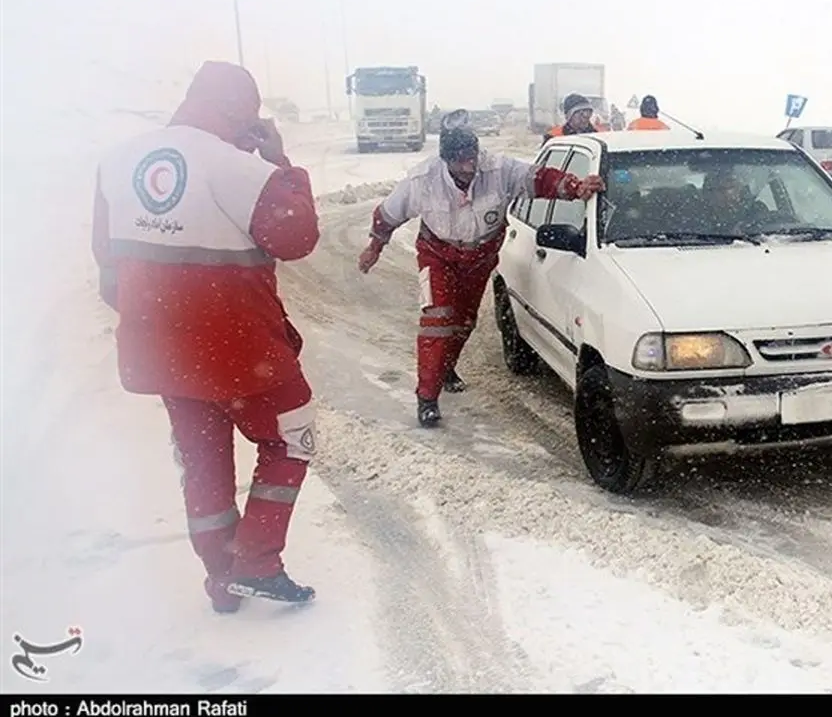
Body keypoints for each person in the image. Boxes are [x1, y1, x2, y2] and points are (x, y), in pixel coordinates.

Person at [91, 60, 322, 614]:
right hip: (243, 350)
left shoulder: (116, 162)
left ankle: (222, 577)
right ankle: (258, 563)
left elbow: (107, 268)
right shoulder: (240, 169)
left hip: (163, 352)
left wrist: (164, 315)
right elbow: (297, 236)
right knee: (293, 435)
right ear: (241, 112)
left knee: (202, 458)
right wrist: (280, 162)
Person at [357, 124, 605, 427]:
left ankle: (446, 368)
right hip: (438, 256)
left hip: (479, 258)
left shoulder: (498, 169)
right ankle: (427, 397)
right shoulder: (422, 181)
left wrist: (573, 187)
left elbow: (538, 178)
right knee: (438, 320)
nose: (470, 165)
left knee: (463, 322)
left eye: (472, 156)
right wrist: (374, 248)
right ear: (446, 160)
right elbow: (387, 216)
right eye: (461, 159)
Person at [541, 93, 610, 146]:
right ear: (569, 116)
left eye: (588, 112)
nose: (585, 117)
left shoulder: (599, 137)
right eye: (580, 113)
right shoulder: (553, 138)